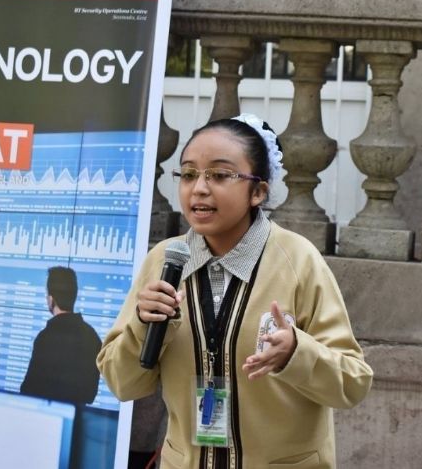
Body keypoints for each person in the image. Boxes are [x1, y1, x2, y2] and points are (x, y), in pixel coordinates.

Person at [98, 113, 373, 468]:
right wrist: (141, 324)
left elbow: (353, 382)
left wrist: (296, 352)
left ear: (258, 191)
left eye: (220, 175)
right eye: (190, 173)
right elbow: (123, 384)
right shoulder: (164, 261)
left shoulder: (299, 261)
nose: (199, 188)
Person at [21, 266, 102, 405]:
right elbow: (90, 395)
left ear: (51, 299)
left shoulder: (45, 338)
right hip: (77, 420)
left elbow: (28, 391)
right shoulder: (93, 337)